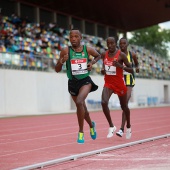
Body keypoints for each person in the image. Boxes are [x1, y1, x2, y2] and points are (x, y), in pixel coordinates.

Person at [55, 28, 101, 144]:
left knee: (80, 102)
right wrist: (62, 61)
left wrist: (92, 63)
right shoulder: (65, 51)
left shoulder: (87, 49)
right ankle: (91, 125)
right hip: (72, 83)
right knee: (83, 109)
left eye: (76, 36)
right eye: (71, 37)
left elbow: (98, 55)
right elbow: (56, 69)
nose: (73, 39)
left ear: (80, 38)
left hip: (85, 81)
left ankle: (81, 132)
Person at [101, 37, 133, 139]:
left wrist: (120, 66)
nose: (110, 45)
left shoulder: (121, 55)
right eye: (108, 43)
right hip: (108, 84)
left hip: (119, 84)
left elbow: (131, 69)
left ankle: (128, 126)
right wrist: (102, 70)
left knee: (124, 107)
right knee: (103, 102)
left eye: (112, 43)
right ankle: (111, 126)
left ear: (116, 44)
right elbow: (104, 66)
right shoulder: (104, 54)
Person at [116, 37, 139, 137]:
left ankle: (121, 128)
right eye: (120, 43)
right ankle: (128, 125)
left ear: (127, 44)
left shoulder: (132, 54)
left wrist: (137, 68)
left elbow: (137, 64)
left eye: (124, 43)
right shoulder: (117, 54)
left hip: (129, 80)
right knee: (124, 105)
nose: (122, 45)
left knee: (125, 102)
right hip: (120, 80)